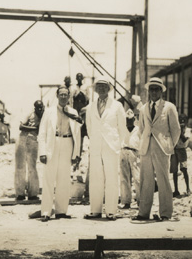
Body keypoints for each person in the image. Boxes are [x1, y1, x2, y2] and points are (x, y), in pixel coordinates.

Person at [133, 77, 181, 221]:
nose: (154, 92)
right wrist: (144, 142)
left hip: (162, 148)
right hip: (146, 148)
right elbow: (141, 129)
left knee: (163, 180)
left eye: (156, 89)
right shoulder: (143, 108)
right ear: (148, 91)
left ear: (161, 91)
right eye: (151, 89)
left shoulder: (169, 107)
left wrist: (169, 145)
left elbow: (176, 129)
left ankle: (165, 213)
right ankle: (143, 213)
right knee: (145, 181)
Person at [84, 77, 128, 220]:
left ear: (109, 89)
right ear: (95, 89)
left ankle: (111, 211)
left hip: (111, 146)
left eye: (104, 86)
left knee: (111, 179)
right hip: (96, 146)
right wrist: (95, 141)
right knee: (96, 178)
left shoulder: (117, 106)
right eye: (99, 86)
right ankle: (95, 210)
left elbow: (122, 127)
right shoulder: (90, 107)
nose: (101, 89)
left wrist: (120, 145)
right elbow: (89, 127)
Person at [37, 86, 82, 222]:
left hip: (67, 143)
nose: (63, 97)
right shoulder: (49, 112)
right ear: (57, 96)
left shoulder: (73, 112)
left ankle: (61, 211)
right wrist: (43, 152)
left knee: (64, 180)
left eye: (65, 95)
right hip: (53, 143)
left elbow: (78, 134)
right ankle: (46, 211)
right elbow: (42, 133)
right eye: (61, 94)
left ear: (69, 97)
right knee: (49, 179)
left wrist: (76, 154)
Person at [14, 100, 45, 201]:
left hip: (33, 141)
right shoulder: (30, 114)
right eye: (38, 108)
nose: (40, 110)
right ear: (34, 108)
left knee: (32, 167)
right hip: (23, 139)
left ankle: (33, 193)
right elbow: (21, 126)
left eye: (41, 108)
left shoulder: (44, 117)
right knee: (20, 167)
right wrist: (33, 128)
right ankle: (20, 193)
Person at [119, 108, 141, 210]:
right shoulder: (122, 129)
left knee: (137, 178)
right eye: (127, 119)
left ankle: (140, 201)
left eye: (130, 119)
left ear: (134, 119)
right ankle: (126, 201)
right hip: (123, 151)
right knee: (124, 178)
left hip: (134, 152)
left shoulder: (138, 129)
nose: (129, 121)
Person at [171, 114, 191, 197]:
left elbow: (184, 139)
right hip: (175, 150)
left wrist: (179, 131)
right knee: (174, 171)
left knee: (184, 169)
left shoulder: (187, 130)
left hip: (182, 150)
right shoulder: (176, 129)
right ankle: (176, 190)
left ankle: (188, 188)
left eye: (184, 120)